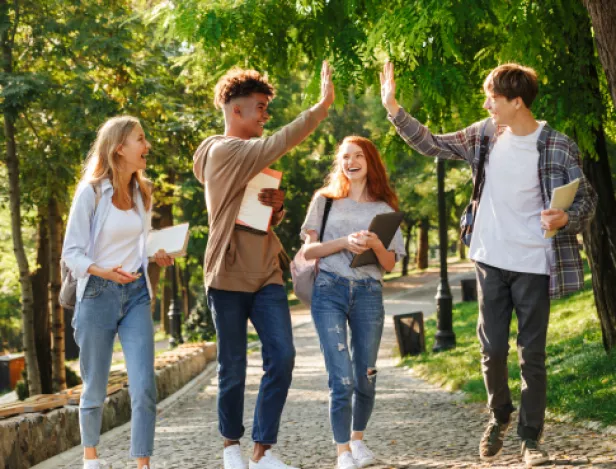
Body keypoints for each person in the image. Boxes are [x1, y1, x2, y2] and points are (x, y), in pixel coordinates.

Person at [380, 62, 597, 466]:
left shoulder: (557, 145)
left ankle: (531, 440)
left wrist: (566, 217)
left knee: (531, 354)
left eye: (493, 99)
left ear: (517, 102)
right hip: (490, 258)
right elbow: (433, 144)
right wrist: (394, 108)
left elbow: (586, 200)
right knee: (492, 349)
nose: (486, 105)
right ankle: (500, 414)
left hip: (534, 261)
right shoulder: (485, 135)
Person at [192, 61, 335, 469]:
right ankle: (230, 448)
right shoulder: (224, 150)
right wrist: (321, 107)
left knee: (283, 356)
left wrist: (278, 207)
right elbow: (279, 142)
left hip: (266, 272)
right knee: (233, 365)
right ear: (236, 111)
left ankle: (263, 451)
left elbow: (253, 211)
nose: (265, 116)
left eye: (267, 109)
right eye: (259, 107)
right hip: (228, 274)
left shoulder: (247, 158)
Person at [62, 116, 174, 469]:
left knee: (144, 385)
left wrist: (154, 253)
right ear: (118, 148)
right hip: (97, 294)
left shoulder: (143, 191)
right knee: (95, 385)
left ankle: (143, 463)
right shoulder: (91, 192)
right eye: (140, 139)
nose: (147, 146)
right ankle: (91, 458)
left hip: (136, 294)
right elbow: (72, 253)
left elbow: (137, 242)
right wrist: (102, 270)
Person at [300, 136, 405, 469]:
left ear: (370, 161)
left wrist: (374, 244)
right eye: (345, 156)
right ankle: (342, 451)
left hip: (369, 294)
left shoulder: (384, 210)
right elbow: (309, 252)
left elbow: (389, 265)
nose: (351, 161)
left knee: (366, 374)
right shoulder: (325, 201)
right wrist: (345, 242)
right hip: (329, 289)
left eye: (358, 156)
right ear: (339, 162)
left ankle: (358, 441)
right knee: (341, 376)